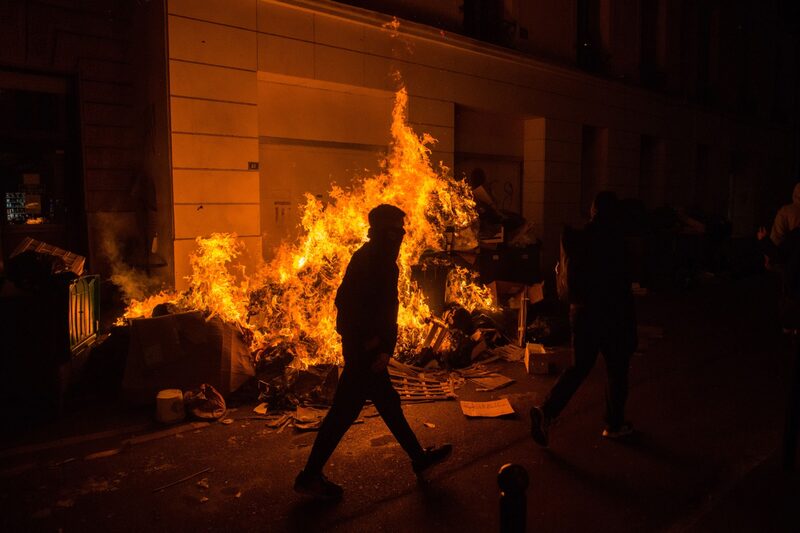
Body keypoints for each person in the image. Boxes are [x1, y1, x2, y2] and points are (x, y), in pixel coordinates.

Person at [294, 204, 452, 500]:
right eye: (395, 229)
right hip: (365, 353)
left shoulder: (376, 259)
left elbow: (377, 309)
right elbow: (352, 306)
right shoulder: (372, 262)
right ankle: (309, 475)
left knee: (384, 404)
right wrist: (373, 348)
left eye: (402, 229)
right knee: (345, 413)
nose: (401, 235)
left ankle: (418, 457)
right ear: (381, 231)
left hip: (366, 351)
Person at [530, 191, 637, 446]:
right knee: (617, 368)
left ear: (592, 211)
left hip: (581, 313)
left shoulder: (577, 238)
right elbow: (624, 282)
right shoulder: (615, 241)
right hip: (611, 314)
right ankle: (614, 424)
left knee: (579, 367)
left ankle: (548, 410)